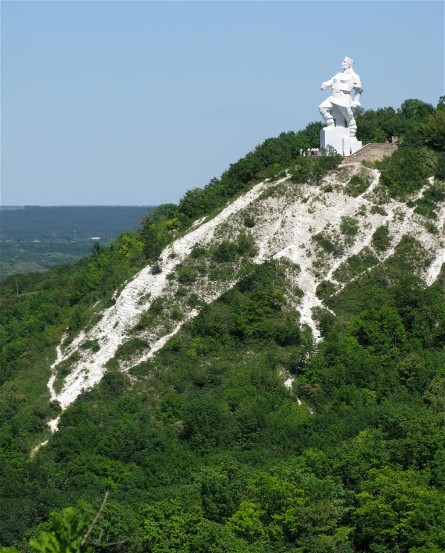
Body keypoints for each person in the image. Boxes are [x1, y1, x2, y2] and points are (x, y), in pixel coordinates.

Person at [319, 57, 363, 137]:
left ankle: (352, 134)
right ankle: (331, 124)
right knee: (322, 107)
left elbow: (358, 89)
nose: (342, 63)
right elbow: (332, 81)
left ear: (349, 64)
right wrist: (325, 84)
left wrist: (356, 101)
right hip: (333, 98)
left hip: (344, 98)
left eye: (344, 61)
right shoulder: (338, 74)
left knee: (349, 117)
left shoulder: (354, 76)